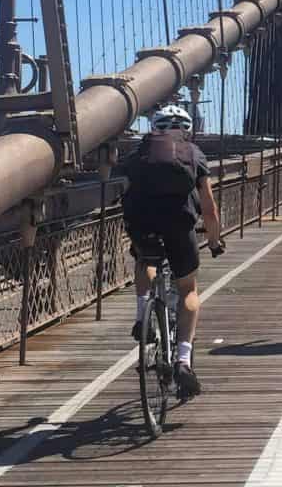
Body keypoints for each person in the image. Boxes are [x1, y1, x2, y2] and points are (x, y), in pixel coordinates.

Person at [123, 103, 224, 399]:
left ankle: (143, 316)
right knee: (188, 289)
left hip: (143, 223)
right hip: (179, 224)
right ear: (188, 130)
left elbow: (126, 194)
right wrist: (215, 240)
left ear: (154, 129)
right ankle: (183, 360)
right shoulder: (194, 154)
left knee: (146, 259)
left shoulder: (138, 154)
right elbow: (208, 205)